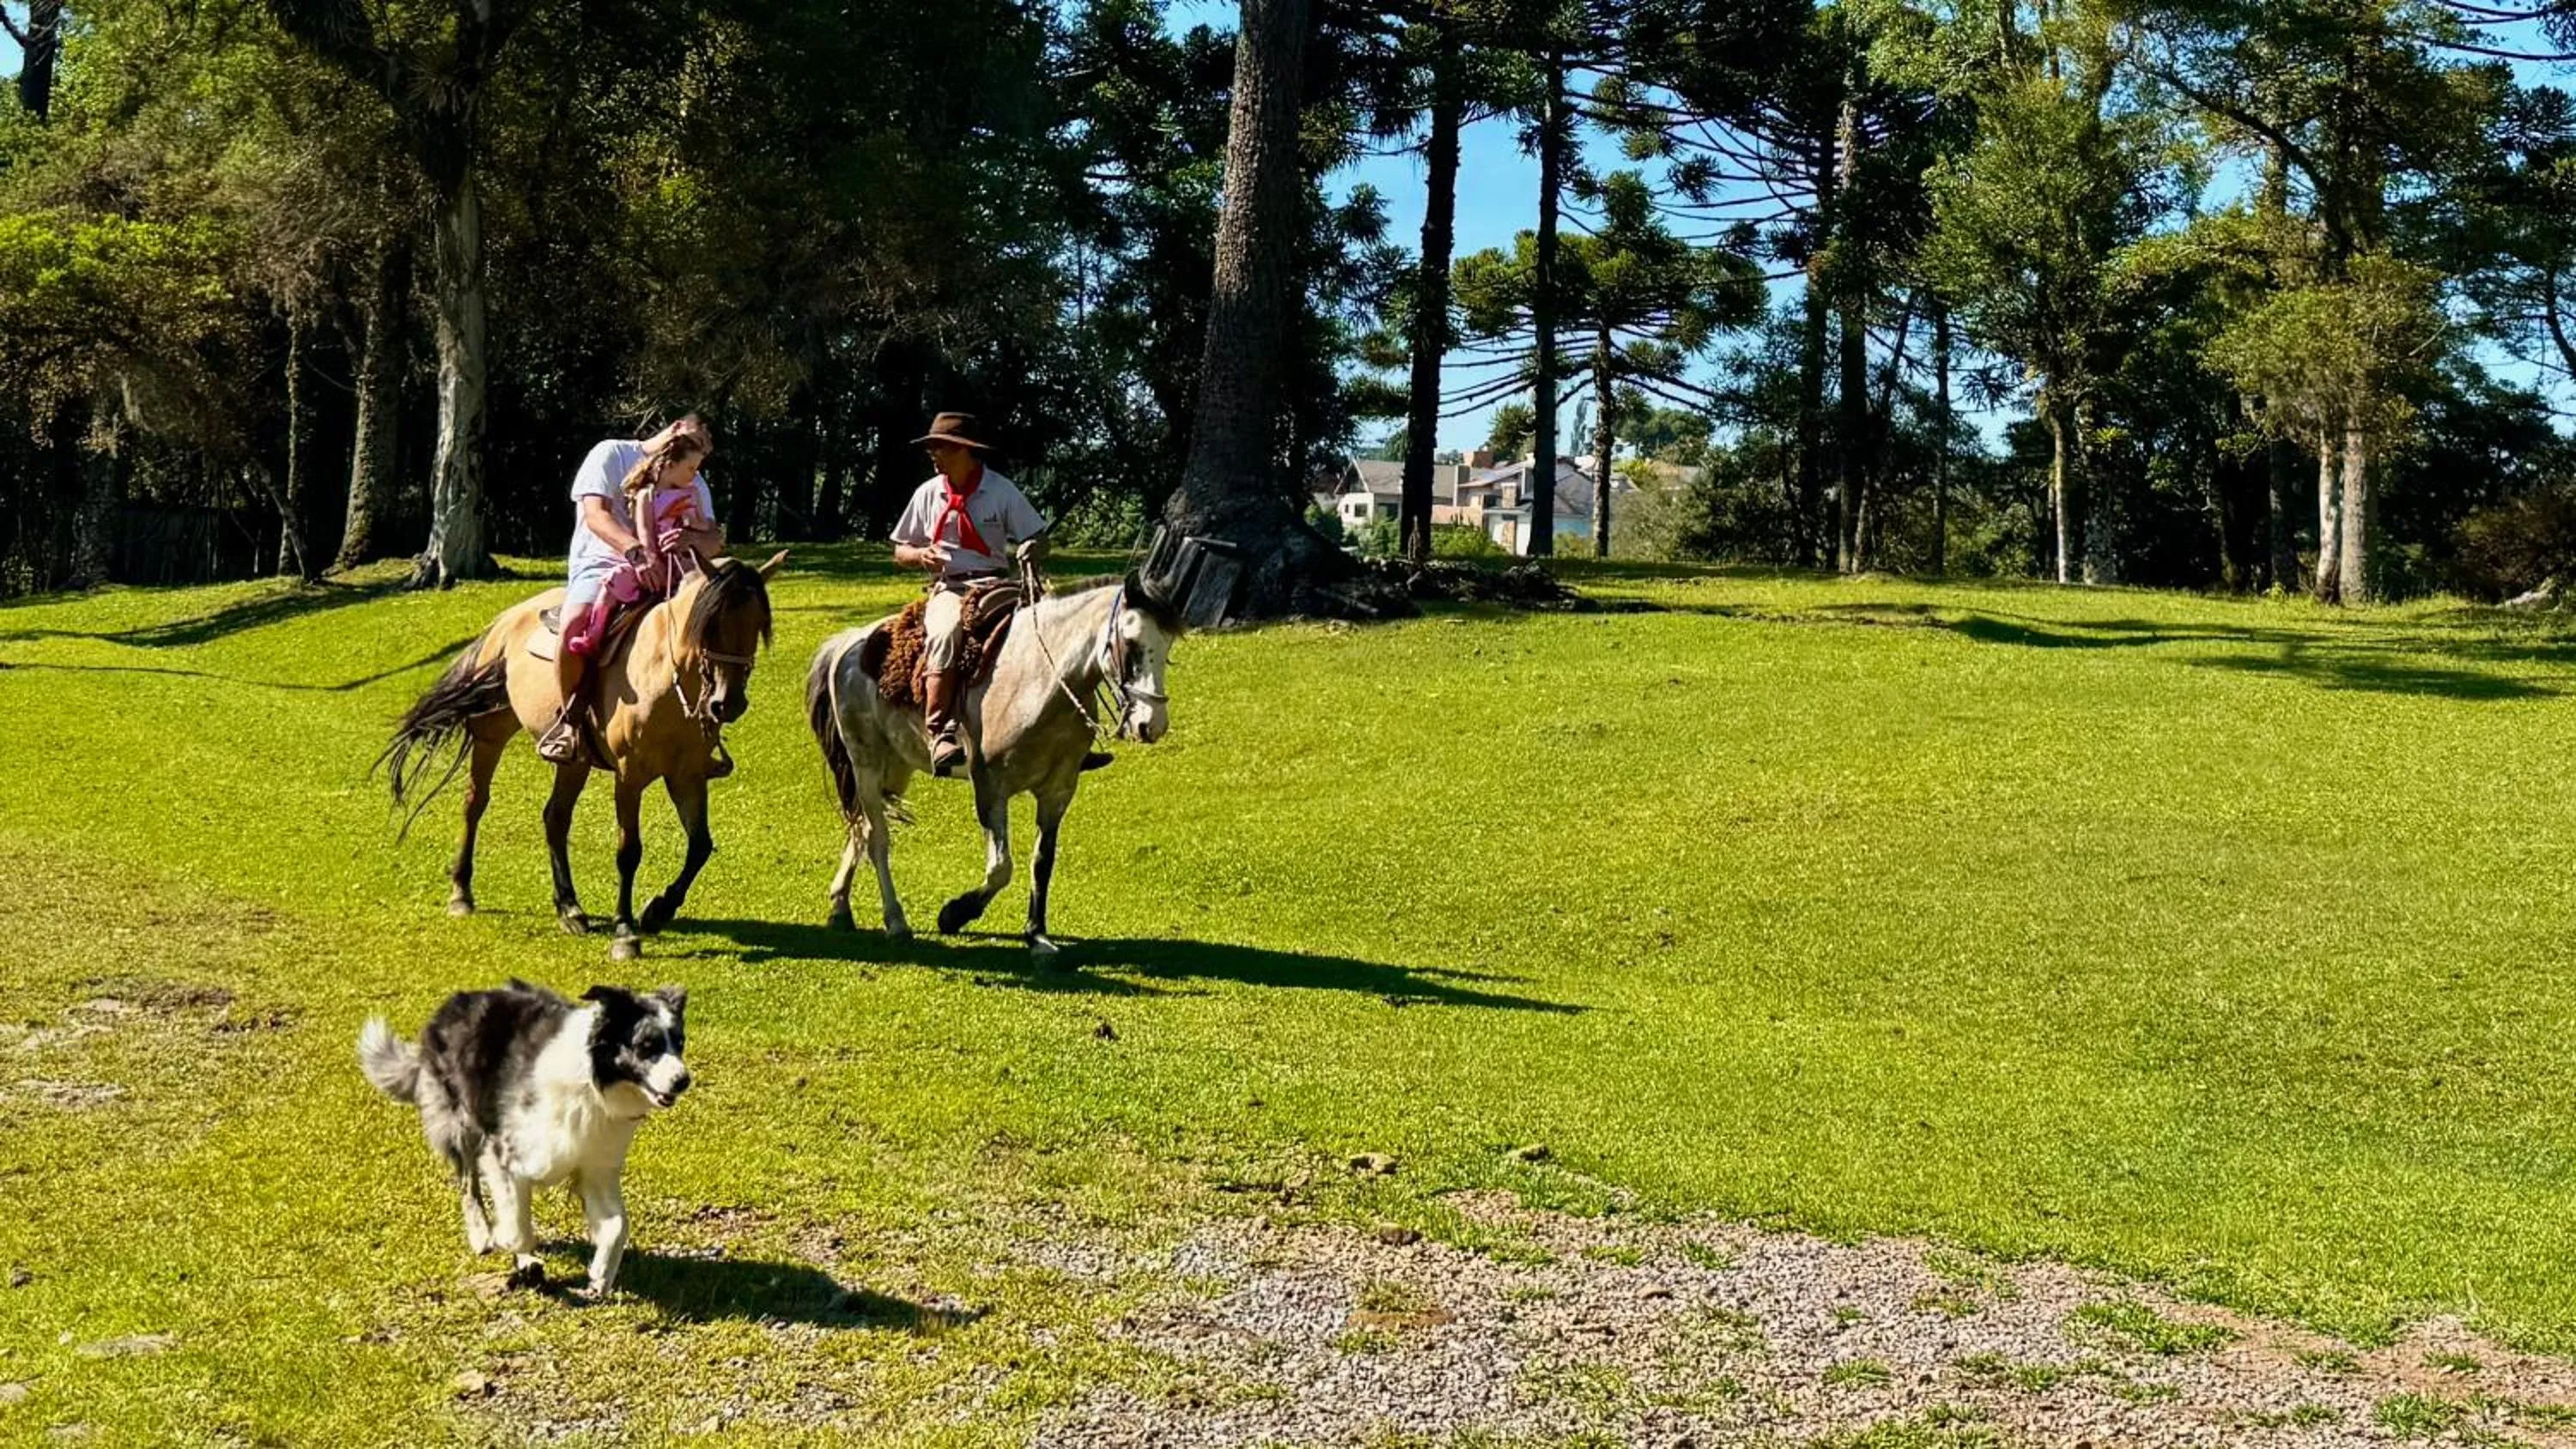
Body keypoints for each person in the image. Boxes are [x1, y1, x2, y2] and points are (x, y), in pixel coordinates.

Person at [537, 417, 726, 767]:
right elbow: (595, 515)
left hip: (672, 568)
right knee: (575, 624)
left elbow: (714, 538)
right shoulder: (612, 453)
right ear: (677, 428)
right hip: (605, 562)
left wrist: (692, 540)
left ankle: (704, 728)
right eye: (696, 443)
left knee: (714, 628)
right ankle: (570, 723)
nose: (698, 463)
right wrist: (638, 553)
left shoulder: (692, 478)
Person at [888, 412, 1049, 776]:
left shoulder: (1001, 490)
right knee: (945, 634)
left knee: (1048, 629)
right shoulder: (928, 493)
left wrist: (1031, 549)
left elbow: (1038, 536)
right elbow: (900, 549)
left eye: (938, 447)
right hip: (952, 586)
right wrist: (919, 556)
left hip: (997, 583)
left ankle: (1067, 727)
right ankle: (940, 731)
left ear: (962, 450)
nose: (932, 454)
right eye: (931, 447)